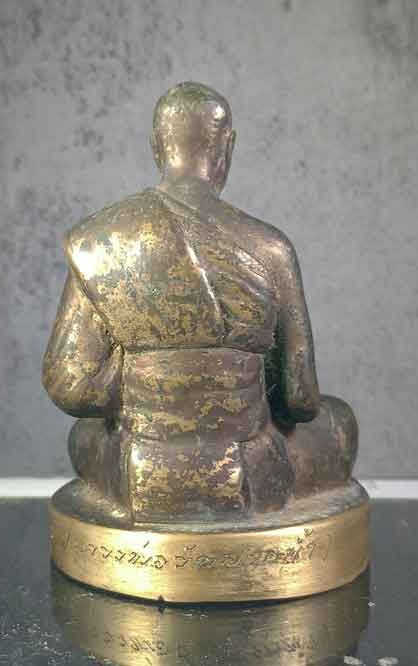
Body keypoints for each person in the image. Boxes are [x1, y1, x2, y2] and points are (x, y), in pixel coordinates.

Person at [43, 82, 357, 523]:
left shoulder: (99, 241)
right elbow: (301, 399)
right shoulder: (271, 248)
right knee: (339, 422)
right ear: (227, 147)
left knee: (83, 435)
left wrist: (149, 384)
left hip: (138, 467)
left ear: (156, 146)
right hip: (249, 465)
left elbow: (70, 385)